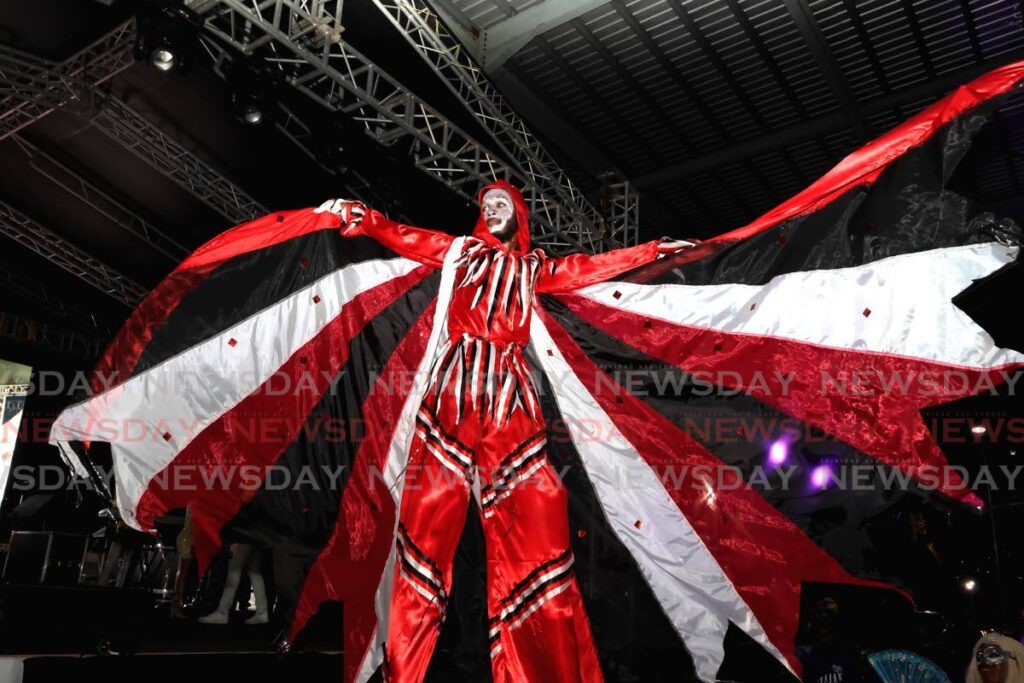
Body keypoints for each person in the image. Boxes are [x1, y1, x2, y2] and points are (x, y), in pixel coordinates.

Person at [335, 181, 693, 682]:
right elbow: (406, 236)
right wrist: (363, 217)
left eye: (503, 204)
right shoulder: (460, 252)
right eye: (487, 205)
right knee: (426, 527)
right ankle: (403, 668)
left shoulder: (533, 269)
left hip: (509, 400)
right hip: (455, 395)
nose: (494, 209)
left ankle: (537, 667)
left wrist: (652, 250)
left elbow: (591, 266)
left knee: (540, 513)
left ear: (519, 216)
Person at [197, 542, 269, 625]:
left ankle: (222, 612)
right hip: (257, 536)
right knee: (254, 571)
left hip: (245, 536)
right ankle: (262, 611)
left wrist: (233, 539)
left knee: (234, 568)